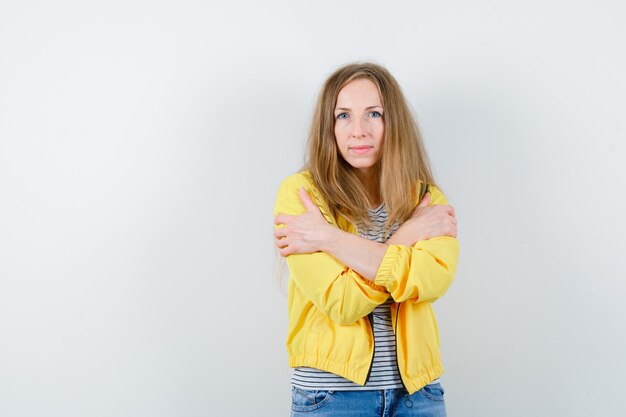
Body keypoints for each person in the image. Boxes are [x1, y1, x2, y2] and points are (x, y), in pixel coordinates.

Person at [273, 62, 459, 417]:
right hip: (331, 396)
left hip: (418, 395)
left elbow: (431, 281)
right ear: (328, 126)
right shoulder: (301, 195)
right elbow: (342, 303)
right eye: (343, 115)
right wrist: (407, 236)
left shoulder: (427, 201)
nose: (358, 130)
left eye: (374, 113)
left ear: (395, 123)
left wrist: (328, 238)